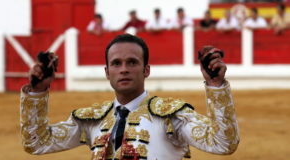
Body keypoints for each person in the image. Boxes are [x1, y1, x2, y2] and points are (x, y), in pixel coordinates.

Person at [20, 34, 240, 159]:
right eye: (116, 63)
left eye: (132, 62)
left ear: (146, 70)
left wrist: (215, 85)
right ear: (107, 72)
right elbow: (37, 143)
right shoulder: (92, 119)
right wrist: (38, 92)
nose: (124, 69)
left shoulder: (172, 116)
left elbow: (223, 143)